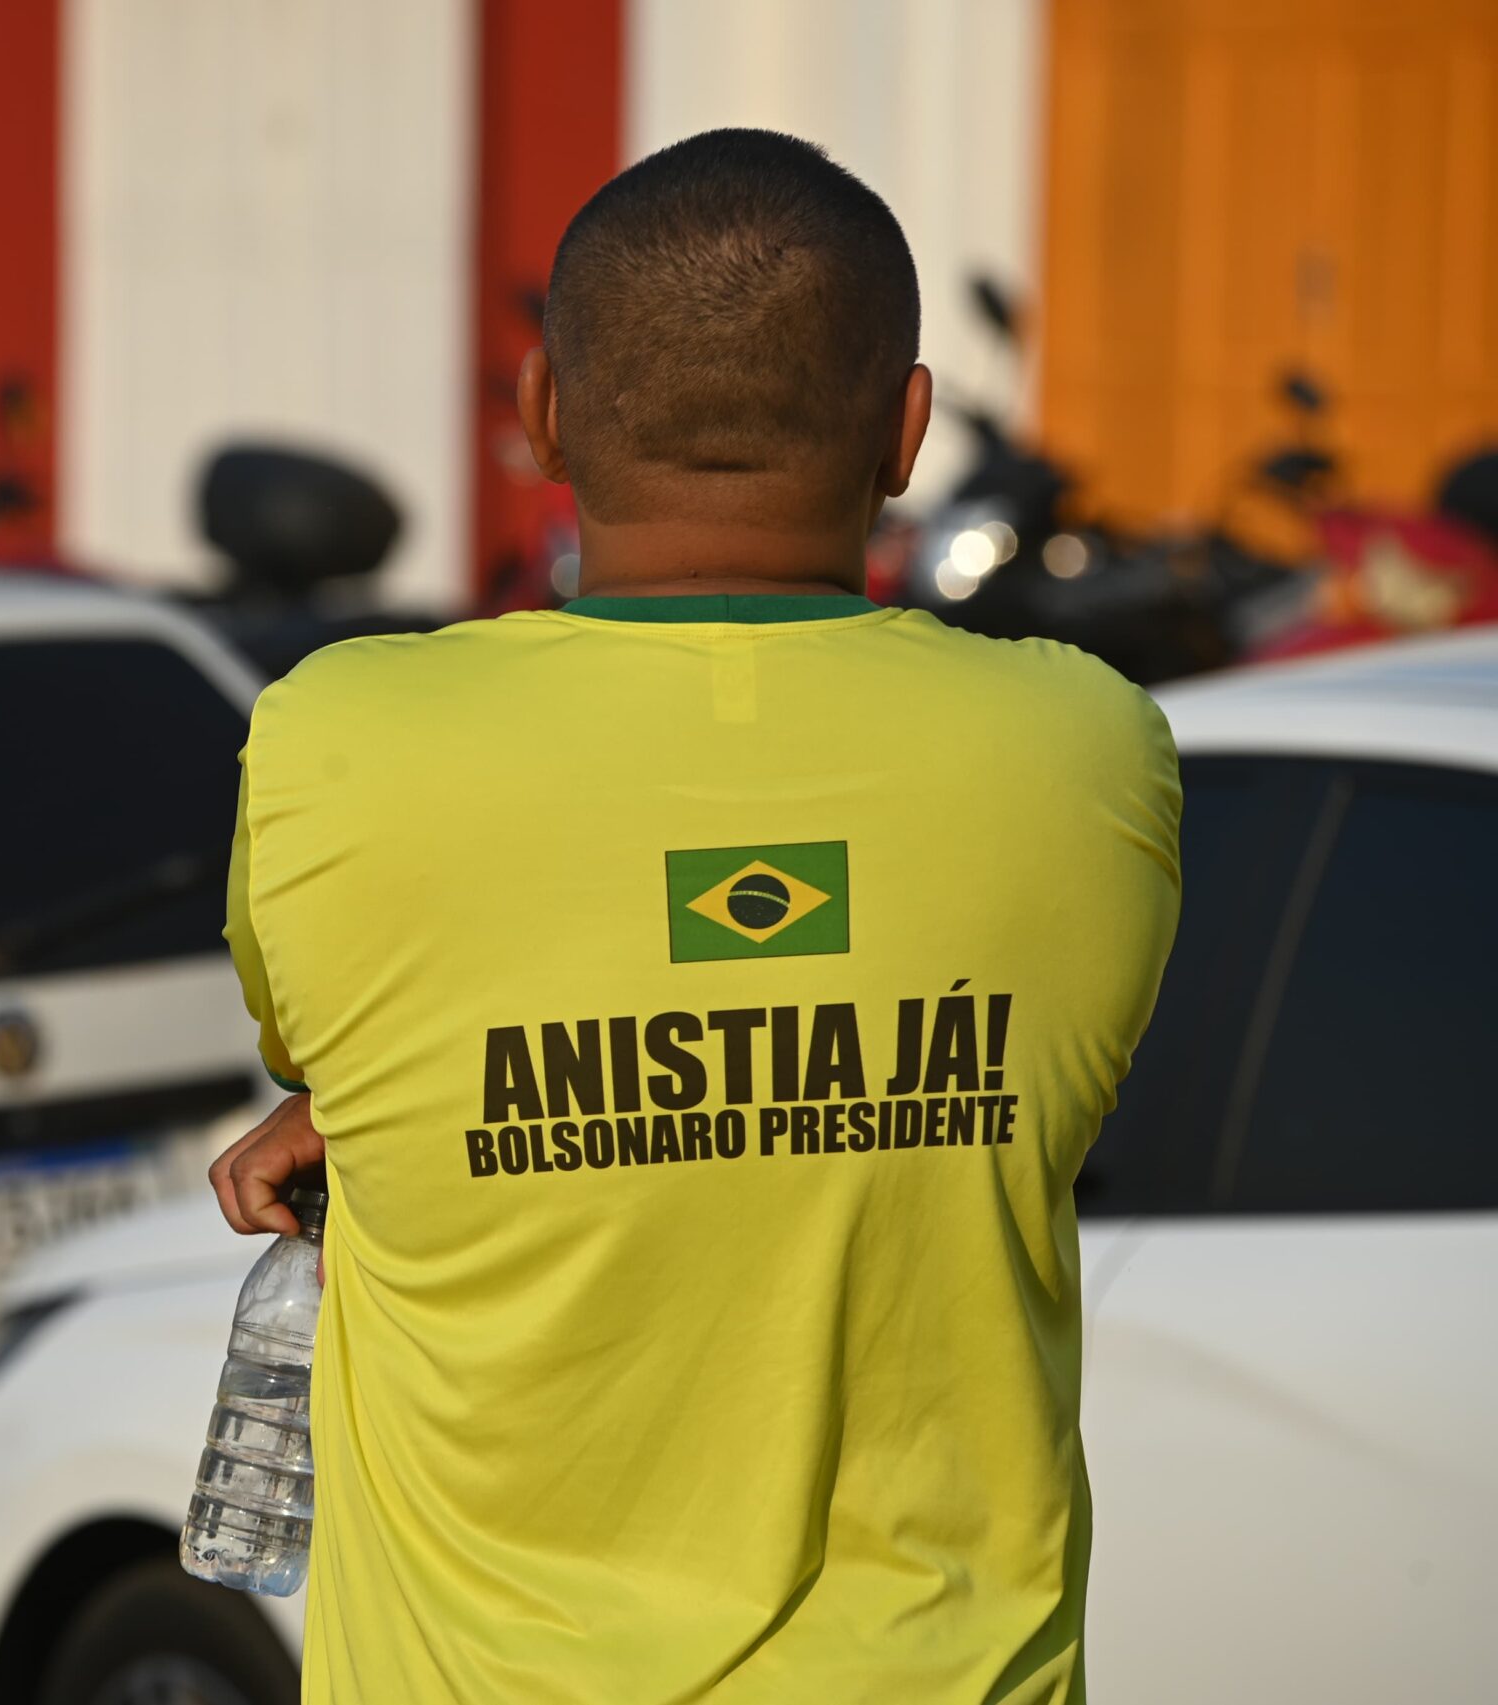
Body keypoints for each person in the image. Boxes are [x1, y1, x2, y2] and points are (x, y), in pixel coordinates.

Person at [211, 129, 1179, 1704]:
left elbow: (333, 1032)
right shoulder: (1086, 751)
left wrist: (371, 1103)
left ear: (539, 417)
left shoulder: (336, 746)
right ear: (909, 430)